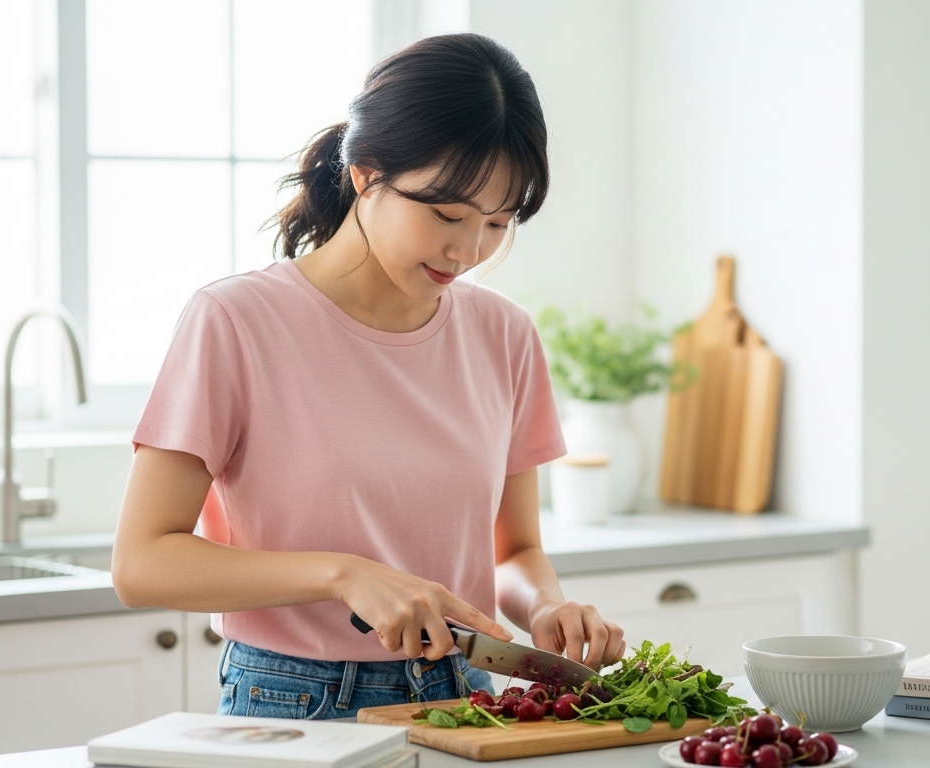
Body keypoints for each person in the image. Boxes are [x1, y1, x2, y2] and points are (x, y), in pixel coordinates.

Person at [110, 33, 626, 720]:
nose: (467, 250)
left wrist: (546, 606)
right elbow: (141, 564)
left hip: (465, 695)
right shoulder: (237, 320)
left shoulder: (505, 335)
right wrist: (343, 574)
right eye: (446, 214)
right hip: (295, 697)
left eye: (498, 223)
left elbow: (516, 551)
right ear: (366, 173)